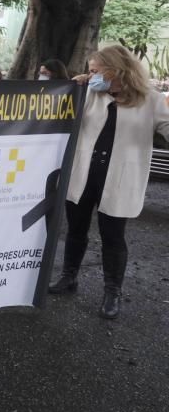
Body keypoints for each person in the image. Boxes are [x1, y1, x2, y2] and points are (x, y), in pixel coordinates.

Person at [48, 45, 169, 319]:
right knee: (76, 229)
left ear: (116, 70)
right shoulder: (89, 93)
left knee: (113, 237)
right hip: (84, 174)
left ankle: (112, 292)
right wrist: (75, 85)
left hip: (119, 179)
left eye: (95, 71)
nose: (91, 76)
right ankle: (69, 277)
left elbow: (166, 126)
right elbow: (60, 112)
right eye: (90, 71)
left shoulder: (150, 99)